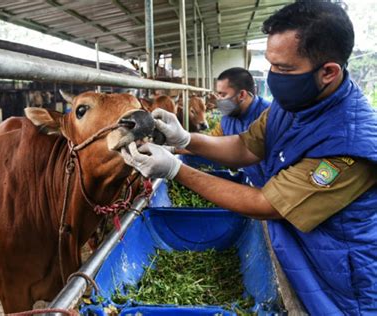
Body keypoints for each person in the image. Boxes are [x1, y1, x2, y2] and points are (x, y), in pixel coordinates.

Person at [121, 2, 377, 314]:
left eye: (283, 69)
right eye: (271, 64)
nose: (273, 76)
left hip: (338, 281)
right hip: (298, 253)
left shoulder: (350, 147)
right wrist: (185, 139)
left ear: (329, 71)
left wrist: (175, 169)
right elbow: (245, 147)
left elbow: (265, 204)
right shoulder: (295, 102)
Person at [212, 67, 270, 187]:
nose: (218, 100)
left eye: (223, 95)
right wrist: (174, 146)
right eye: (217, 94)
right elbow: (211, 141)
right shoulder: (226, 120)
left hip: (279, 191)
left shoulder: (271, 116)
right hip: (253, 184)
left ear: (242, 94)